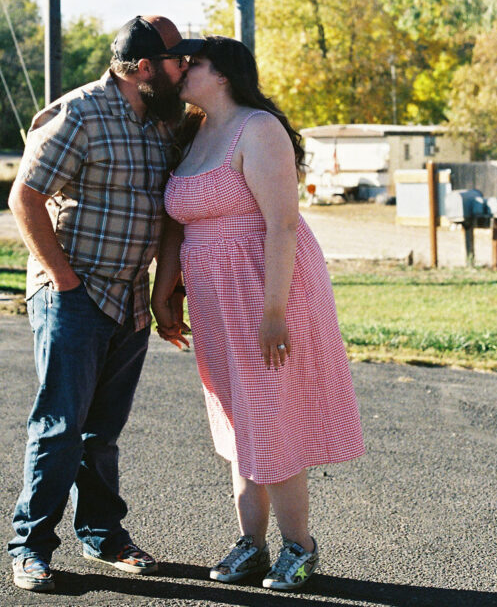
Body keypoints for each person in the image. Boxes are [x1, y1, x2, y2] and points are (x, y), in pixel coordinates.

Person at [152, 36, 364, 592]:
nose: (180, 71)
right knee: (236, 414)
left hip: (267, 289)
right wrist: (167, 287)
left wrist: (274, 313)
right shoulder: (194, 132)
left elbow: (283, 225)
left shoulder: (258, 128)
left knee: (272, 413)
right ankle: (251, 543)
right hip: (214, 296)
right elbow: (179, 220)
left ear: (222, 74)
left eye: (191, 64)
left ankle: (300, 547)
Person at [7, 14, 203, 593]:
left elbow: (169, 211)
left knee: (103, 432)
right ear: (144, 69)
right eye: (177, 61)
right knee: (59, 427)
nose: (184, 68)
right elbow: (26, 197)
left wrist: (163, 291)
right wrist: (64, 281)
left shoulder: (161, 122)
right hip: (74, 293)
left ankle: (103, 535)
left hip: (130, 300)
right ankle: (31, 547)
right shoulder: (81, 113)